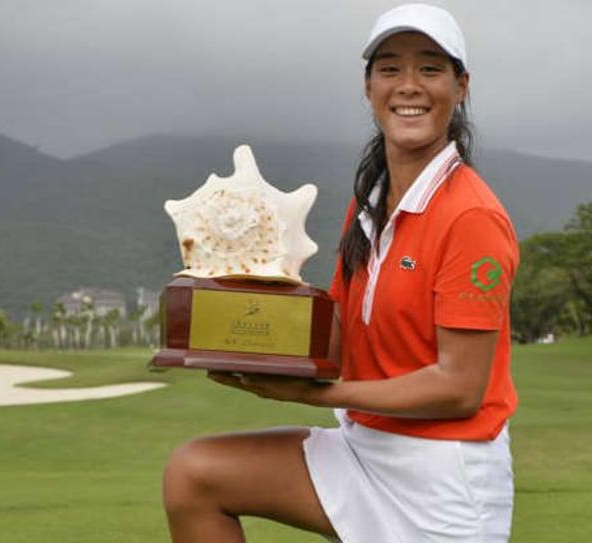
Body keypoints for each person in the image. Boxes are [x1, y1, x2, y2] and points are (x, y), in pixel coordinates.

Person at [162, 4, 518, 542]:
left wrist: (313, 398)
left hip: (445, 476)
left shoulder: (472, 216)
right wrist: (235, 311)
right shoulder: (373, 201)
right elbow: (336, 335)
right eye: (390, 68)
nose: (409, 85)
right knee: (195, 475)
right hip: (362, 447)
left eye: (429, 68)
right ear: (368, 85)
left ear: (460, 86)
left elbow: (459, 389)